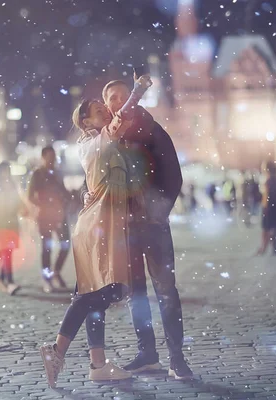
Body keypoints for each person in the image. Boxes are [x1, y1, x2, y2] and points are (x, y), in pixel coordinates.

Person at [39, 75, 152, 388]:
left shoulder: (99, 142)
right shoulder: (95, 141)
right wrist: (138, 91)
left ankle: (97, 363)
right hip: (99, 226)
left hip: (104, 223)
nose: (106, 110)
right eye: (99, 110)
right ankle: (58, 350)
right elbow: (121, 120)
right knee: (101, 292)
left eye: (105, 108)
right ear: (86, 122)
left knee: (97, 293)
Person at [80, 77, 193, 380]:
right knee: (136, 294)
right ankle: (148, 355)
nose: (116, 102)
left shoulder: (152, 130)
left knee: (166, 291)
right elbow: (91, 179)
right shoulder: (109, 138)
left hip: (152, 224)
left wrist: (159, 212)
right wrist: (86, 195)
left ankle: (177, 359)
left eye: (122, 96)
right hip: (124, 229)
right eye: (111, 98)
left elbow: (173, 174)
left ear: (133, 98)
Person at [27, 146, 71, 292]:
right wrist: (44, 205)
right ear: (43, 157)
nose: (52, 159)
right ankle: (47, 279)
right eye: (49, 156)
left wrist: (67, 200)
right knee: (47, 248)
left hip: (60, 214)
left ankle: (56, 271)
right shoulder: (37, 174)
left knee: (66, 244)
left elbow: (64, 191)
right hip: (45, 217)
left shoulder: (58, 173)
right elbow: (30, 196)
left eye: (54, 156)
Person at [0, 162, 24, 295]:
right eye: (4, 171)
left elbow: (19, 203)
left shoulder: (13, 186)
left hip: (12, 224)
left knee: (6, 252)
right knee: (5, 252)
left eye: (8, 171)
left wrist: (24, 210)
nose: (6, 174)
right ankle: (9, 281)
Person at [256, 161, 276, 255]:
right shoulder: (274, 180)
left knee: (270, 229)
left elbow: (271, 197)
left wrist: (267, 209)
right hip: (273, 208)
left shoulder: (270, 181)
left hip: (270, 209)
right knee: (273, 228)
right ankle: (273, 248)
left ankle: (270, 248)